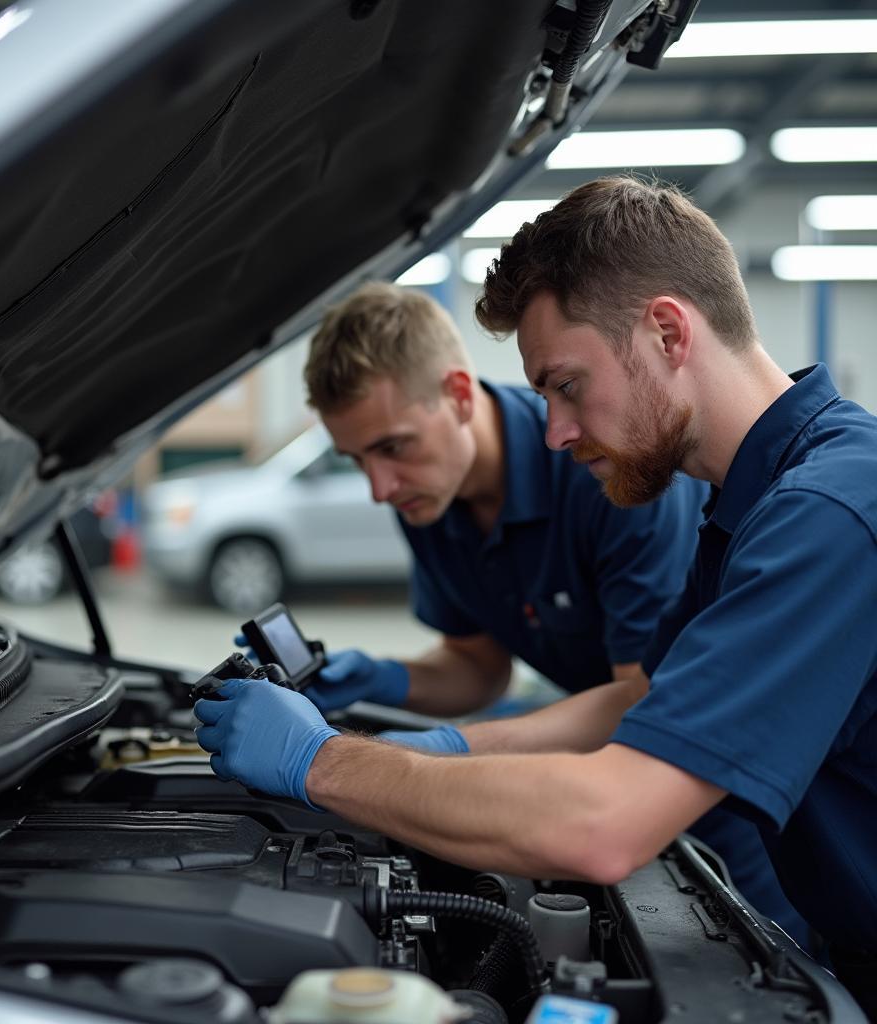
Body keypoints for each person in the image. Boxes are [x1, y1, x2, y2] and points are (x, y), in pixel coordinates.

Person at [195, 177, 877, 1008]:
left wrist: (323, 762)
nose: (554, 430)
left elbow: (605, 824)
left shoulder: (827, 513)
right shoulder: (749, 505)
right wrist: (433, 751)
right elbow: (631, 703)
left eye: (566, 385)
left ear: (667, 331)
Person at [297, 281, 705, 722]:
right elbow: (479, 668)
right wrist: (383, 678)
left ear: (458, 394)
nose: (380, 489)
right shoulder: (427, 499)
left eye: (393, 448)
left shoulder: (605, 469)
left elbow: (639, 702)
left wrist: (445, 756)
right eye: (357, 459)